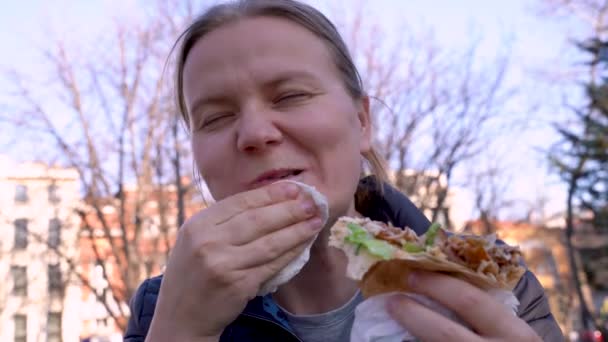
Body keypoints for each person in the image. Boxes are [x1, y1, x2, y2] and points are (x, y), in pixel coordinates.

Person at [124, 0, 564, 341]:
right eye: (216, 118)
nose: (255, 133)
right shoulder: (162, 306)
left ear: (362, 122)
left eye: (290, 96)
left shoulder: (491, 282)